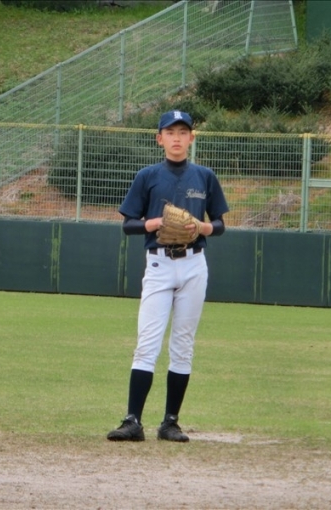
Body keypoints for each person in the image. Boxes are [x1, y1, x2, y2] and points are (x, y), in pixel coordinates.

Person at [107, 110, 229, 442]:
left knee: (183, 344)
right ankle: (132, 421)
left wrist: (203, 227)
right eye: (170, 132)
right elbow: (128, 224)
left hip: (194, 264)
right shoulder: (147, 176)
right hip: (159, 265)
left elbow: (220, 224)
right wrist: (156, 223)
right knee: (147, 342)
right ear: (159, 139)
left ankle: (170, 423)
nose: (177, 137)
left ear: (191, 138)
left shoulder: (205, 176)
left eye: (183, 132)